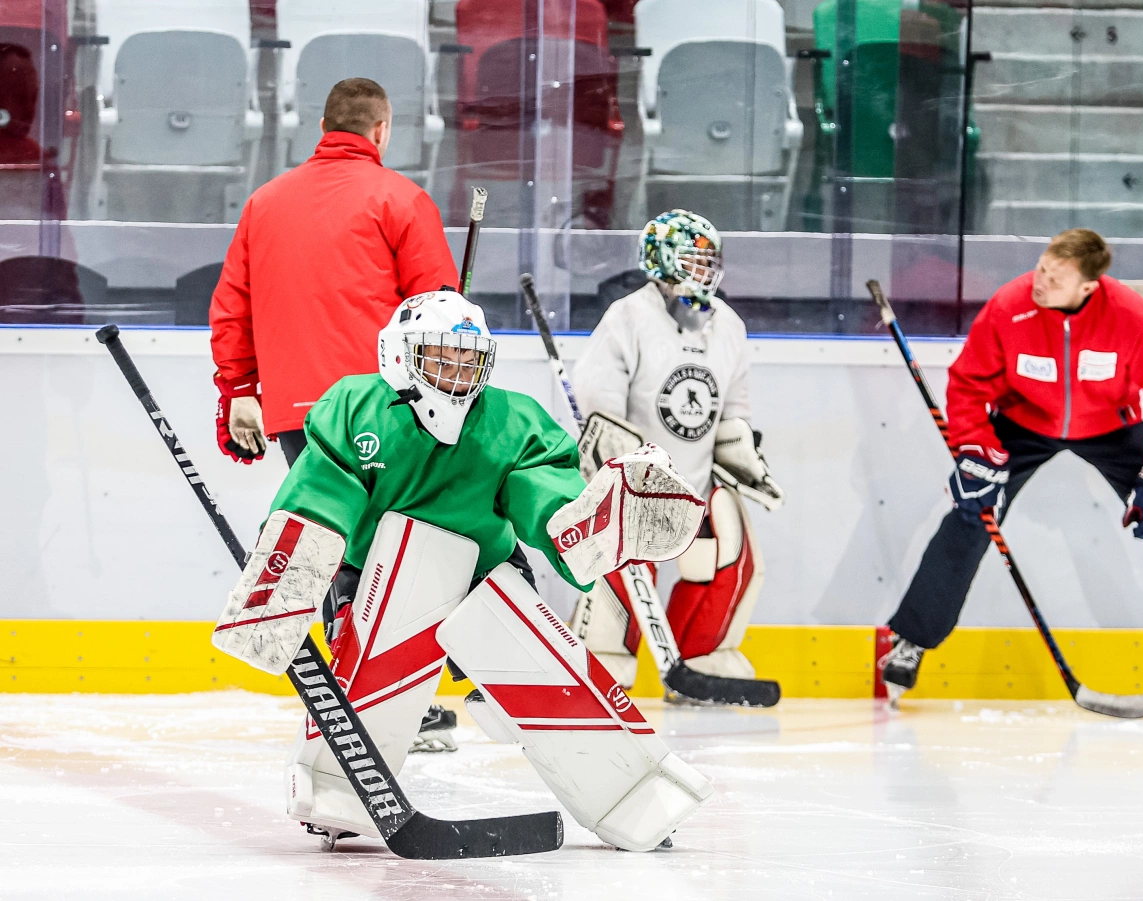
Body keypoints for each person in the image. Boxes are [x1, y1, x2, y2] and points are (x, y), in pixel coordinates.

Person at [214, 290, 710, 851]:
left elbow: (544, 492)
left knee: (552, 675)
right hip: (379, 574)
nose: (455, 371)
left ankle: (636, 798)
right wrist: (286, 577)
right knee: (374, 683)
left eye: (467, 359)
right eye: (440, 356)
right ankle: (335, 794)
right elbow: (321, 495)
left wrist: (585, 525)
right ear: (400, 355)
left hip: (486, 569)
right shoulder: (355, 407)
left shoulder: (512, 420)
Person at [879, 228, 1143, 713]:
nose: (1040, 282)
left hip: (1112, 427)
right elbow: (968, 384)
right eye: (1042, 268)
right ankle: (911, 641)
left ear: (1088, 286)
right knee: (973, 514)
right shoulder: (1009, 307)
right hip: (1022, 422)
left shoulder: (1131, 317)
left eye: (1056, 278)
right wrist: (977, 449)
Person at [209, 77, 461, 747]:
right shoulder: (401, 199)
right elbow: (439, 312)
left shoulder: (265, 202)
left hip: (298, 411)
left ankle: (357, 686)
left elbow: (231, 305)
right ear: (381, 130)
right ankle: (388, 694)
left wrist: (238, 391)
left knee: (335, 543)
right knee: (392, 547)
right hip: (385, 406)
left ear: (322, 127)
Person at [569, 209, 784, 692]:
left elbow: (733, 413)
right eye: (692, 258)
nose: (704, 269)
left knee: (734, 556)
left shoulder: (729, 326)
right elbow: (600, 405)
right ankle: (603, 660)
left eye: (710, 260)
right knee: (617, 570)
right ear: (661, 259)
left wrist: (744, 460)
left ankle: (703, 657)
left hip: (698, 482)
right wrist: (619, 471)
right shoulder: (628, 317)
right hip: (637, 483)